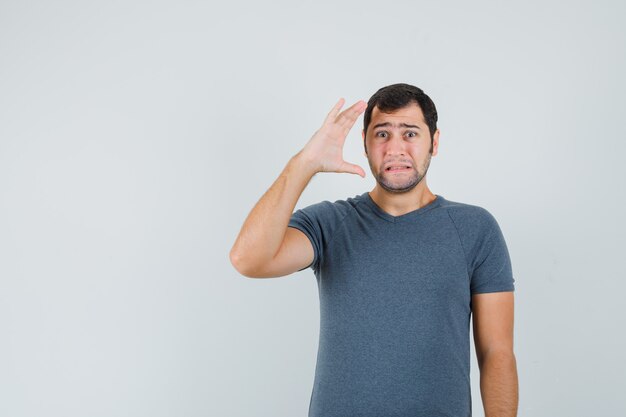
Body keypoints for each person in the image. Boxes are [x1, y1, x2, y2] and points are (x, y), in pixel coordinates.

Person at [229, 83, 518, 417]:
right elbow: (248, 259)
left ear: (434, 142)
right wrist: (305, 162)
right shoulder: (330, 223)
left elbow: (497, 353)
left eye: (410, 134)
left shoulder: (475, 228)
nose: (395, 148)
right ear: (364, 144)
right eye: (382, 134)